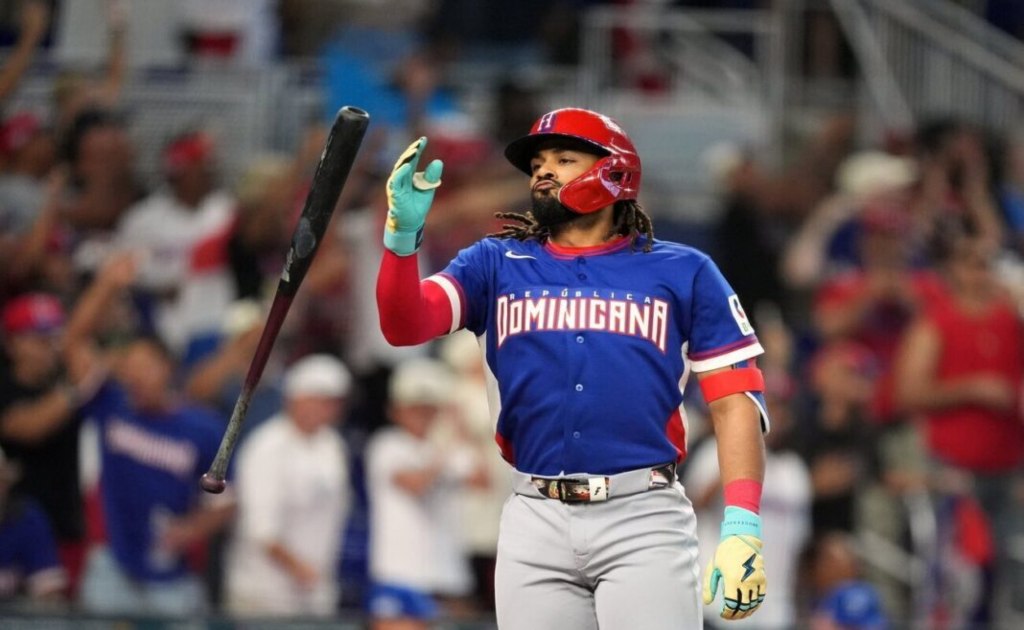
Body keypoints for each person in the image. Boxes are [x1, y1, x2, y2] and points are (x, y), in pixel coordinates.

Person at [375, 107, 770, 628]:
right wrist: (401, 239)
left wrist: (742, 522)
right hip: (533, 513)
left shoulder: (684, 270)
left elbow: (735, 399)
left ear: (616, 170)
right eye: (538, 162)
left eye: (564, 159)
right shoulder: (493, 263)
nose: (544, 171)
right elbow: (404, 325)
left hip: (643, 514)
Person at [225, 353, 352, 617]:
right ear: (295, 398)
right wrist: (300, 569)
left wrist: (315, 577)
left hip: (315, 591)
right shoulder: (267, 446)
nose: (329, 410)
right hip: (264, 594)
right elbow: (261, 529)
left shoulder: (332, 445)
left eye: (334, 403)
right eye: (321, 401)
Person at [365, 357, 485, 630]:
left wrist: (463, 430)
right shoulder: (386, 445)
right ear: (395, 410)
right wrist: (447, 447)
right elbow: (416, 485)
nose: (422, 416)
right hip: (400, 575)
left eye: (429, 409)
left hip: (449, 576)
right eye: (414, 409)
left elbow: (482, 482)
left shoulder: (446, 447)